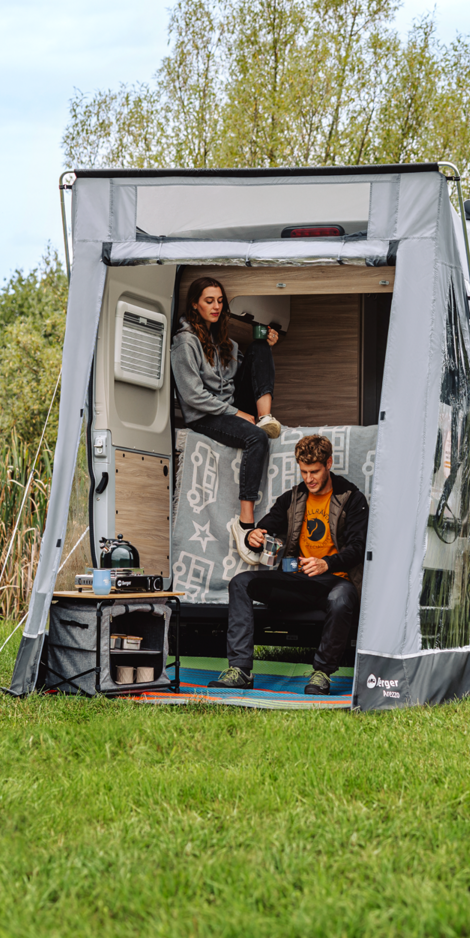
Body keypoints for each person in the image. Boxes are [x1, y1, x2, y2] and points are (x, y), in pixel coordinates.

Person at [208, 434, 368, 695]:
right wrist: (254, 536)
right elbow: (265, 529)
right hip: (297, 580)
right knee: (241, 583)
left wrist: (326, 564)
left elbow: (358, 549)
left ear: (328, 464)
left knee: (341, 598)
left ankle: (321, 674)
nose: (309, 478)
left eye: (314, 471)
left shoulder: (352, 498)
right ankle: (240, 671)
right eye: (304, 471)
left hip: (336, 581)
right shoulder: (293, 498)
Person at [170, 276, 285, 560]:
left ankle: (266, 415)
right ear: (195, 305)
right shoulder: (185, 342)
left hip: (230, 404)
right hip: (205, 415)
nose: (217, 306)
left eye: (220, 301)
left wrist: (267, 343)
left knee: (259, 346)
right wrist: (239, 414)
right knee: (255, 437)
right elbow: (193, 396)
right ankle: (245, 523)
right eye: (209, 301)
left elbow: (246, 373)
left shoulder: (222, 339)